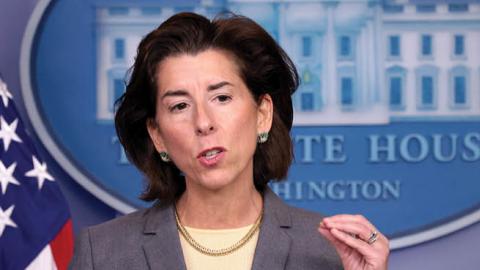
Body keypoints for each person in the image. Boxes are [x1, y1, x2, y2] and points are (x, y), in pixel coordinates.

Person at [69, 12, 389, 270]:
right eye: (180, 106)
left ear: (262, 114)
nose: (204, 122)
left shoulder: (332, 252)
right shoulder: (103, 253)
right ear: (157, 135)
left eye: (221, 97)